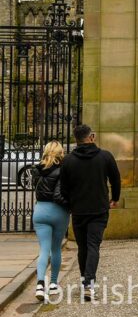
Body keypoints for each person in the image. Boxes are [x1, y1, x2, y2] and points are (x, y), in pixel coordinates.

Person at [60, 124, 120, 301]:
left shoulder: (68, 160)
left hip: (78, 210)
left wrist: (71, 203)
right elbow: (115, 179)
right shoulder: (105, 156)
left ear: (76, 139)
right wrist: (114, 198)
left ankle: (85, 281)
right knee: (93, 245)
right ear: (91, 137)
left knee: (83, 247)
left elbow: (63, 188)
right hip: (99, 208)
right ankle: (88, 284)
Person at [32, 141, 69, 301]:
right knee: (56, 249)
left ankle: (40, 284)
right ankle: (53, 283)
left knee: (43, 250)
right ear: (61, 153)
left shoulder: (36, 170)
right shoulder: (63, 170)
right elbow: (60, 194)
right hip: (58, 211)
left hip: (40, 210)